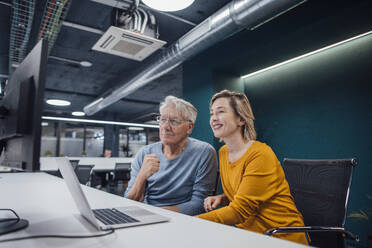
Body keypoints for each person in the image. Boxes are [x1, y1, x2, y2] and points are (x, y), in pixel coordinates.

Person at [198, 90, 307, 245]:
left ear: (241, 119)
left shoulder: (260, 154)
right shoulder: (223, 153)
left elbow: (238, 211)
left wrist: (188, 222)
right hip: (249, 236)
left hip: (281, 238)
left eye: (221, 112)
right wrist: (223, 198)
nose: (214, 118)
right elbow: (246, 193)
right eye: (211, 114)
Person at [124, 96, 218, 216]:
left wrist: (153, 213)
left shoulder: (204, 152)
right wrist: (142, 176)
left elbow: (200, 204)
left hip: (182, 221)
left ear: (189, 127)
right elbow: (129, 201)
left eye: (174, 121)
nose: (165, 127)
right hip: (145, 217)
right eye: (162, 119)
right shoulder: (145, 153)